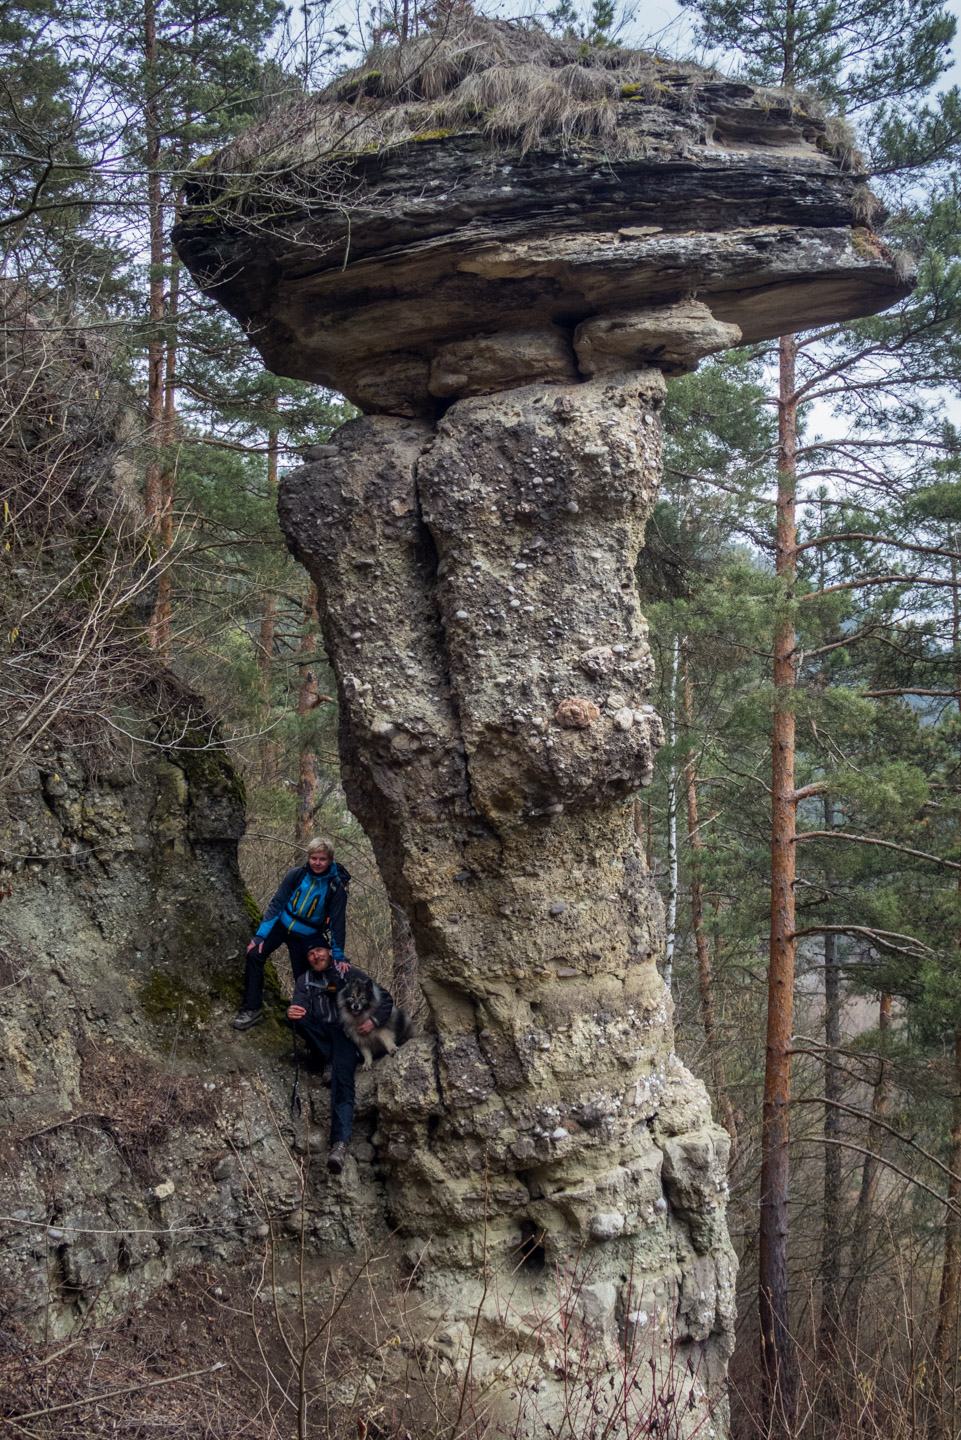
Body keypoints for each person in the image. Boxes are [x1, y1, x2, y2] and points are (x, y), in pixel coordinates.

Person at [287, 941, 394, 1173]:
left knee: (343, 1080)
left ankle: (339, 1145)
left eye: (319, 950)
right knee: (297, 1017)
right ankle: (328, 1058)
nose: (316, 956)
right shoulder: (304, 981)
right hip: (321, 1036)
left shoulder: (348, 973)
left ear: (328, 951)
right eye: (311, 953)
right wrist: (292, 1011)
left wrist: (373, 1021)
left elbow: (385, 998)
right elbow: (299, 1007)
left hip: (347, 1035)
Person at [233, 837, 350, 1031]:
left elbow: (338, 923)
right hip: (281, 925)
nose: (317, 863)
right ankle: (252, 1009)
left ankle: (306, 1023)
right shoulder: (297, 875)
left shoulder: (335, 887)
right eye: (314, 858)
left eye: (322, 859)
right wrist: (260, 936)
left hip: (307, 935)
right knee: (255, 954)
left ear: (330, 860)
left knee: (305, 979)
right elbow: (277, 904)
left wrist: (338, 955)